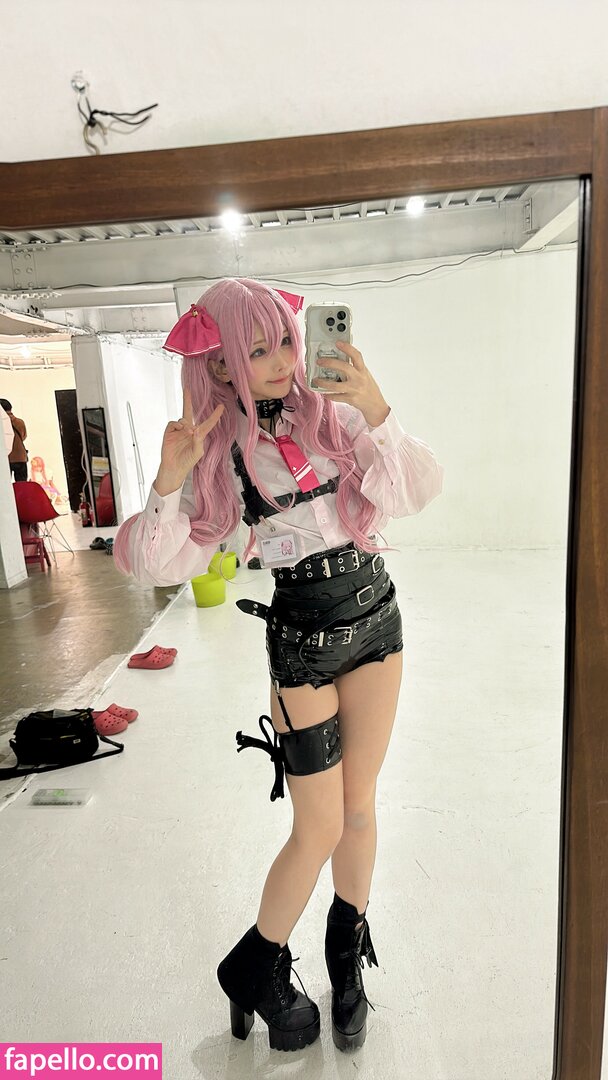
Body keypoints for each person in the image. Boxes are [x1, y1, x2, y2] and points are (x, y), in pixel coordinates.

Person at [114, 278, 444, 1054]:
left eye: (284, 342)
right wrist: (168, 480)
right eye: (255, 348)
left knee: (358, 810)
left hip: (376, 623)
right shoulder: (217, 454)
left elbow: (417, 492)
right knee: (318, 822)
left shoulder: (334, 413)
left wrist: (377, 409)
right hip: (301, 643)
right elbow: (154, 565)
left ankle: (344, 960)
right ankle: (256, 964)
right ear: (219, 363)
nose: (279, 361)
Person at [0, 398, 28, 481]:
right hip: (20, 457)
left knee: (5, 483)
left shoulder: (2, 424)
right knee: (22, 484)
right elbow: (24, 436)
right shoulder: (20, 422)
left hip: (6, 458)